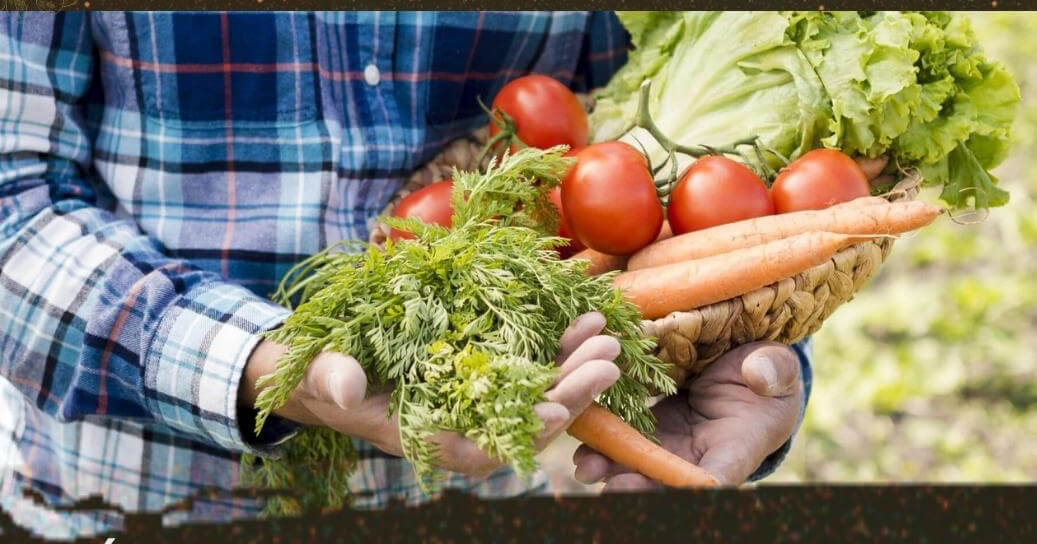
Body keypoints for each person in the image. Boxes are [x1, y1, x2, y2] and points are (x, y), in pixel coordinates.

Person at [0, 11, 809, 538]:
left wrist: (722, 349)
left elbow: (658, 161)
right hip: (133, 498)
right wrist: (270, 364)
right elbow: (13, 199)